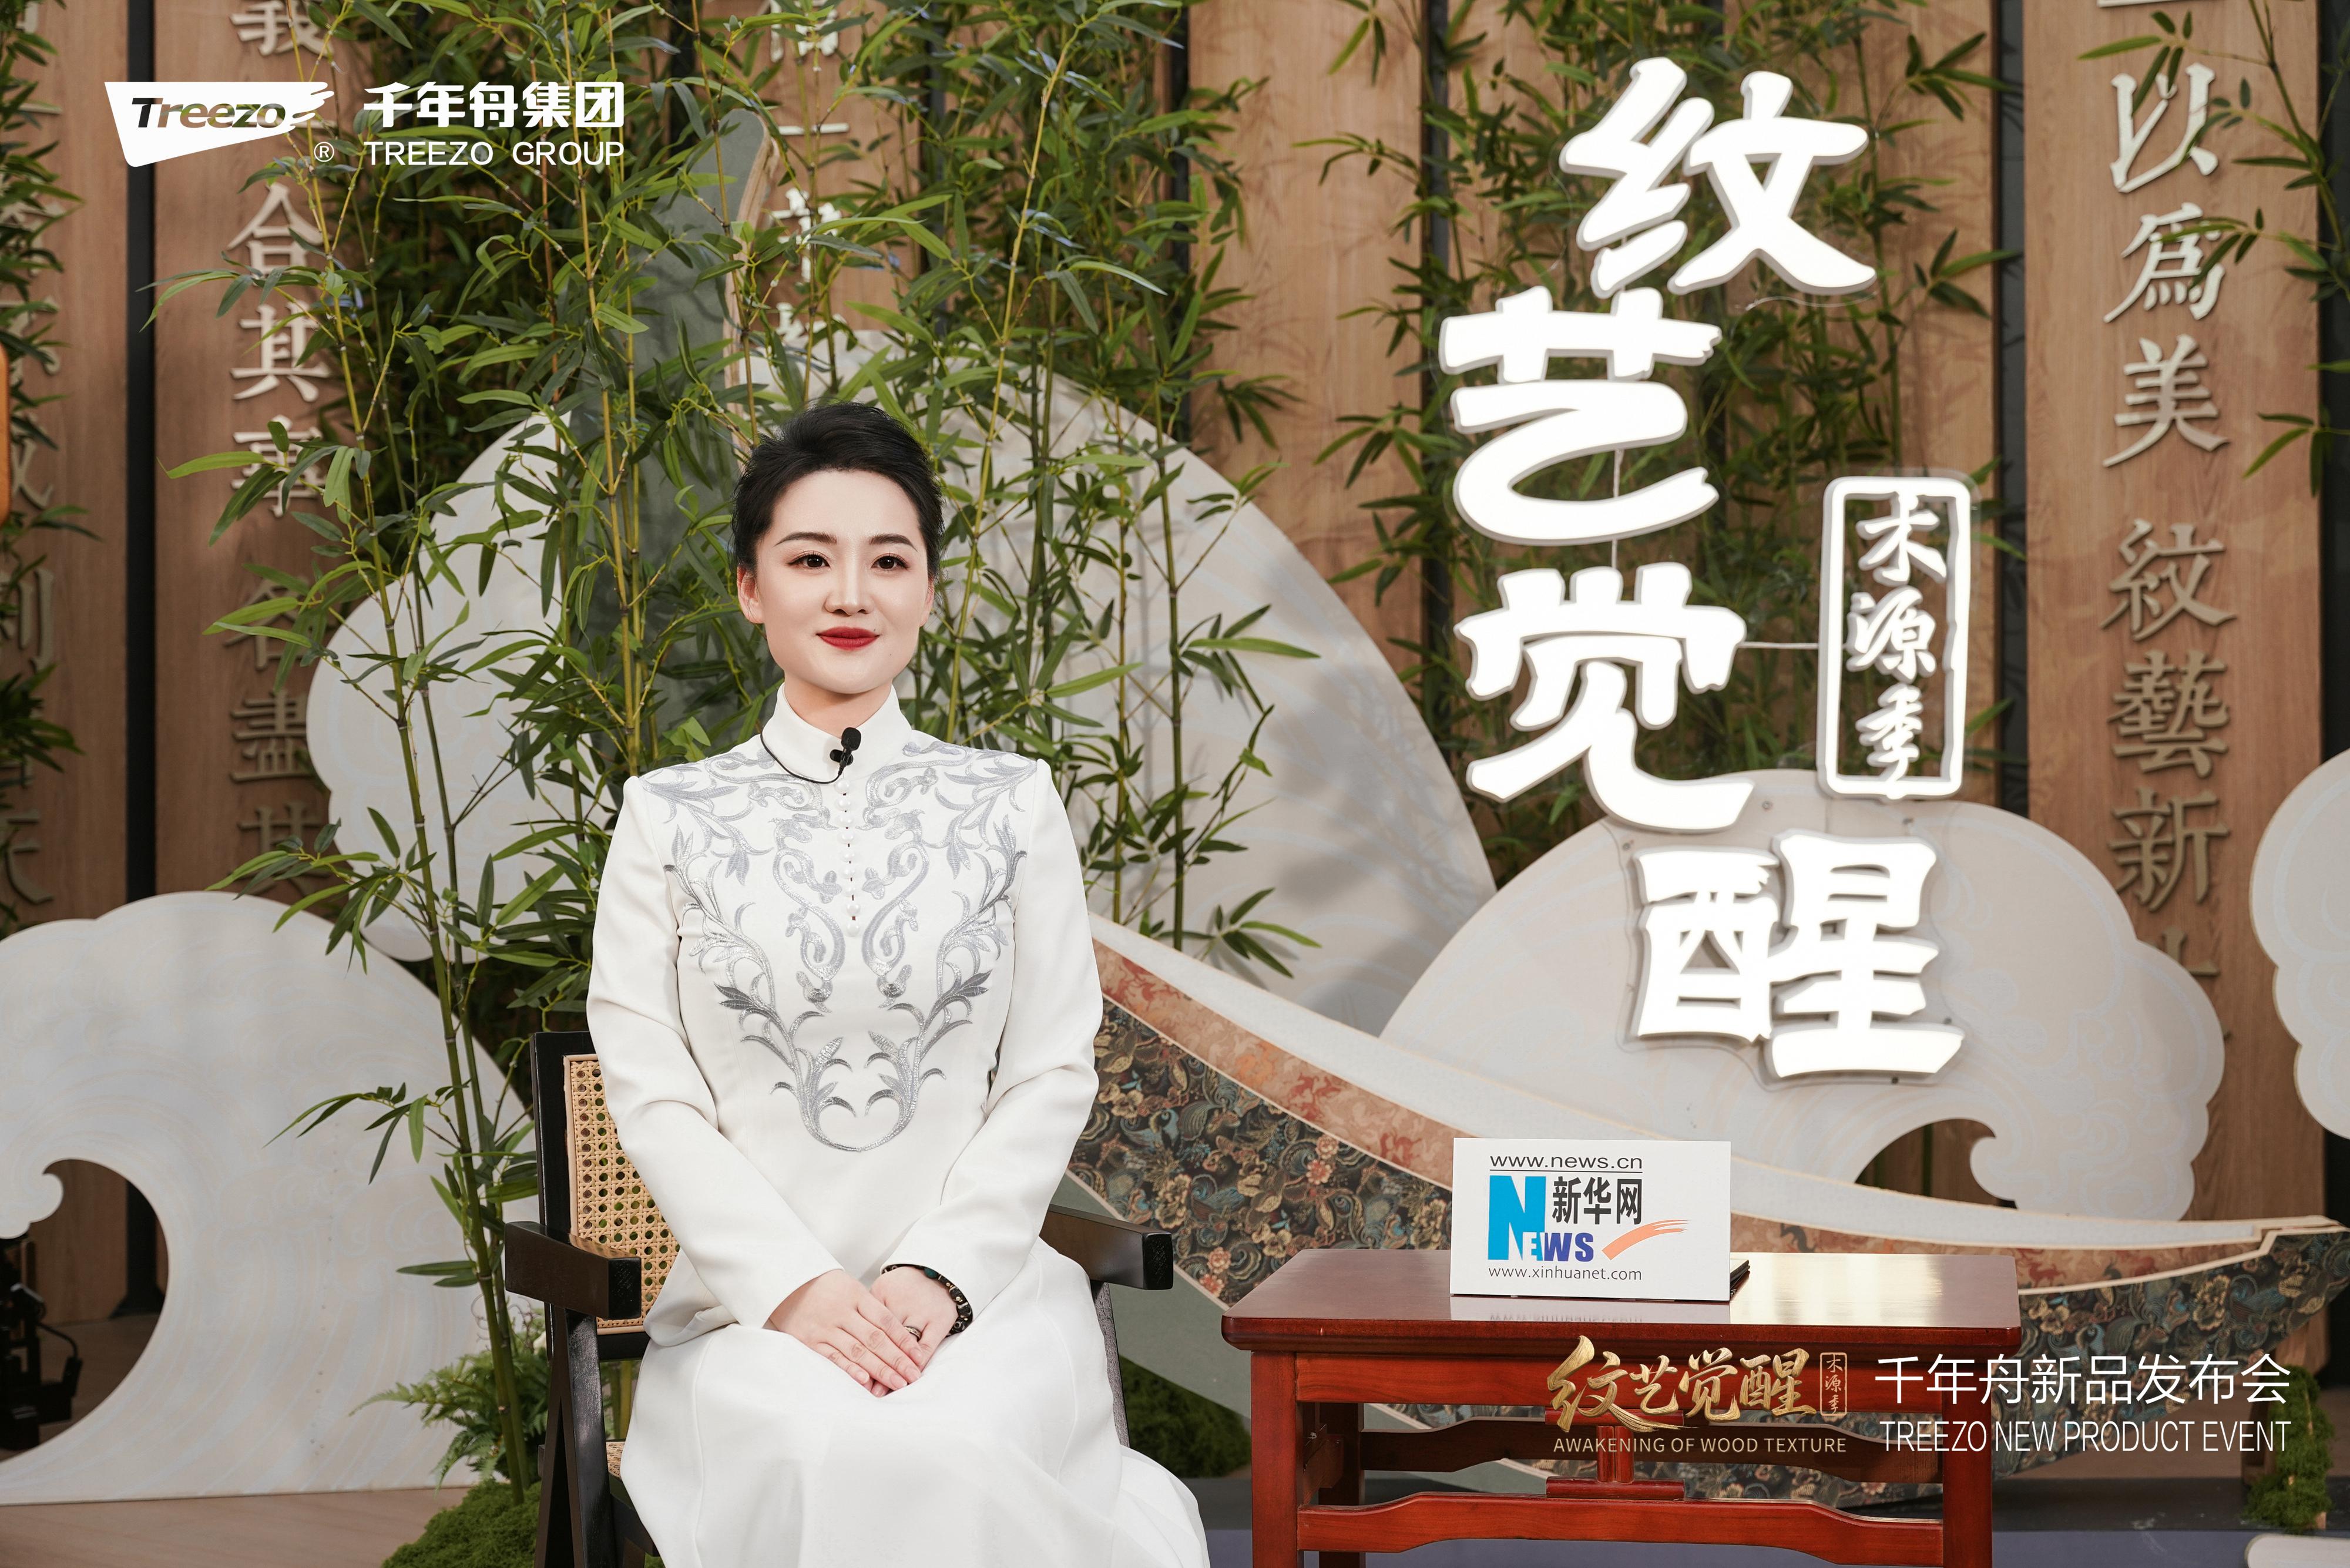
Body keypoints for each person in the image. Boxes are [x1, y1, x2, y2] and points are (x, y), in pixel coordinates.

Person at [585, 401, 1210, 1566]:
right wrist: (797, 1288)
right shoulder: (667, 818)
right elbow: (654, 1096)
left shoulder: (1011, 804)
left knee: (957, 1446)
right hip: (750, 1315)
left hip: (987, 1303)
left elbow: (1049, 1069)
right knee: (832, 1449)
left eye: (887, 560)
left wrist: (941, 1276)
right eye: (808, 560)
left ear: (927, 589)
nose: (850, 594)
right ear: (749, 587)